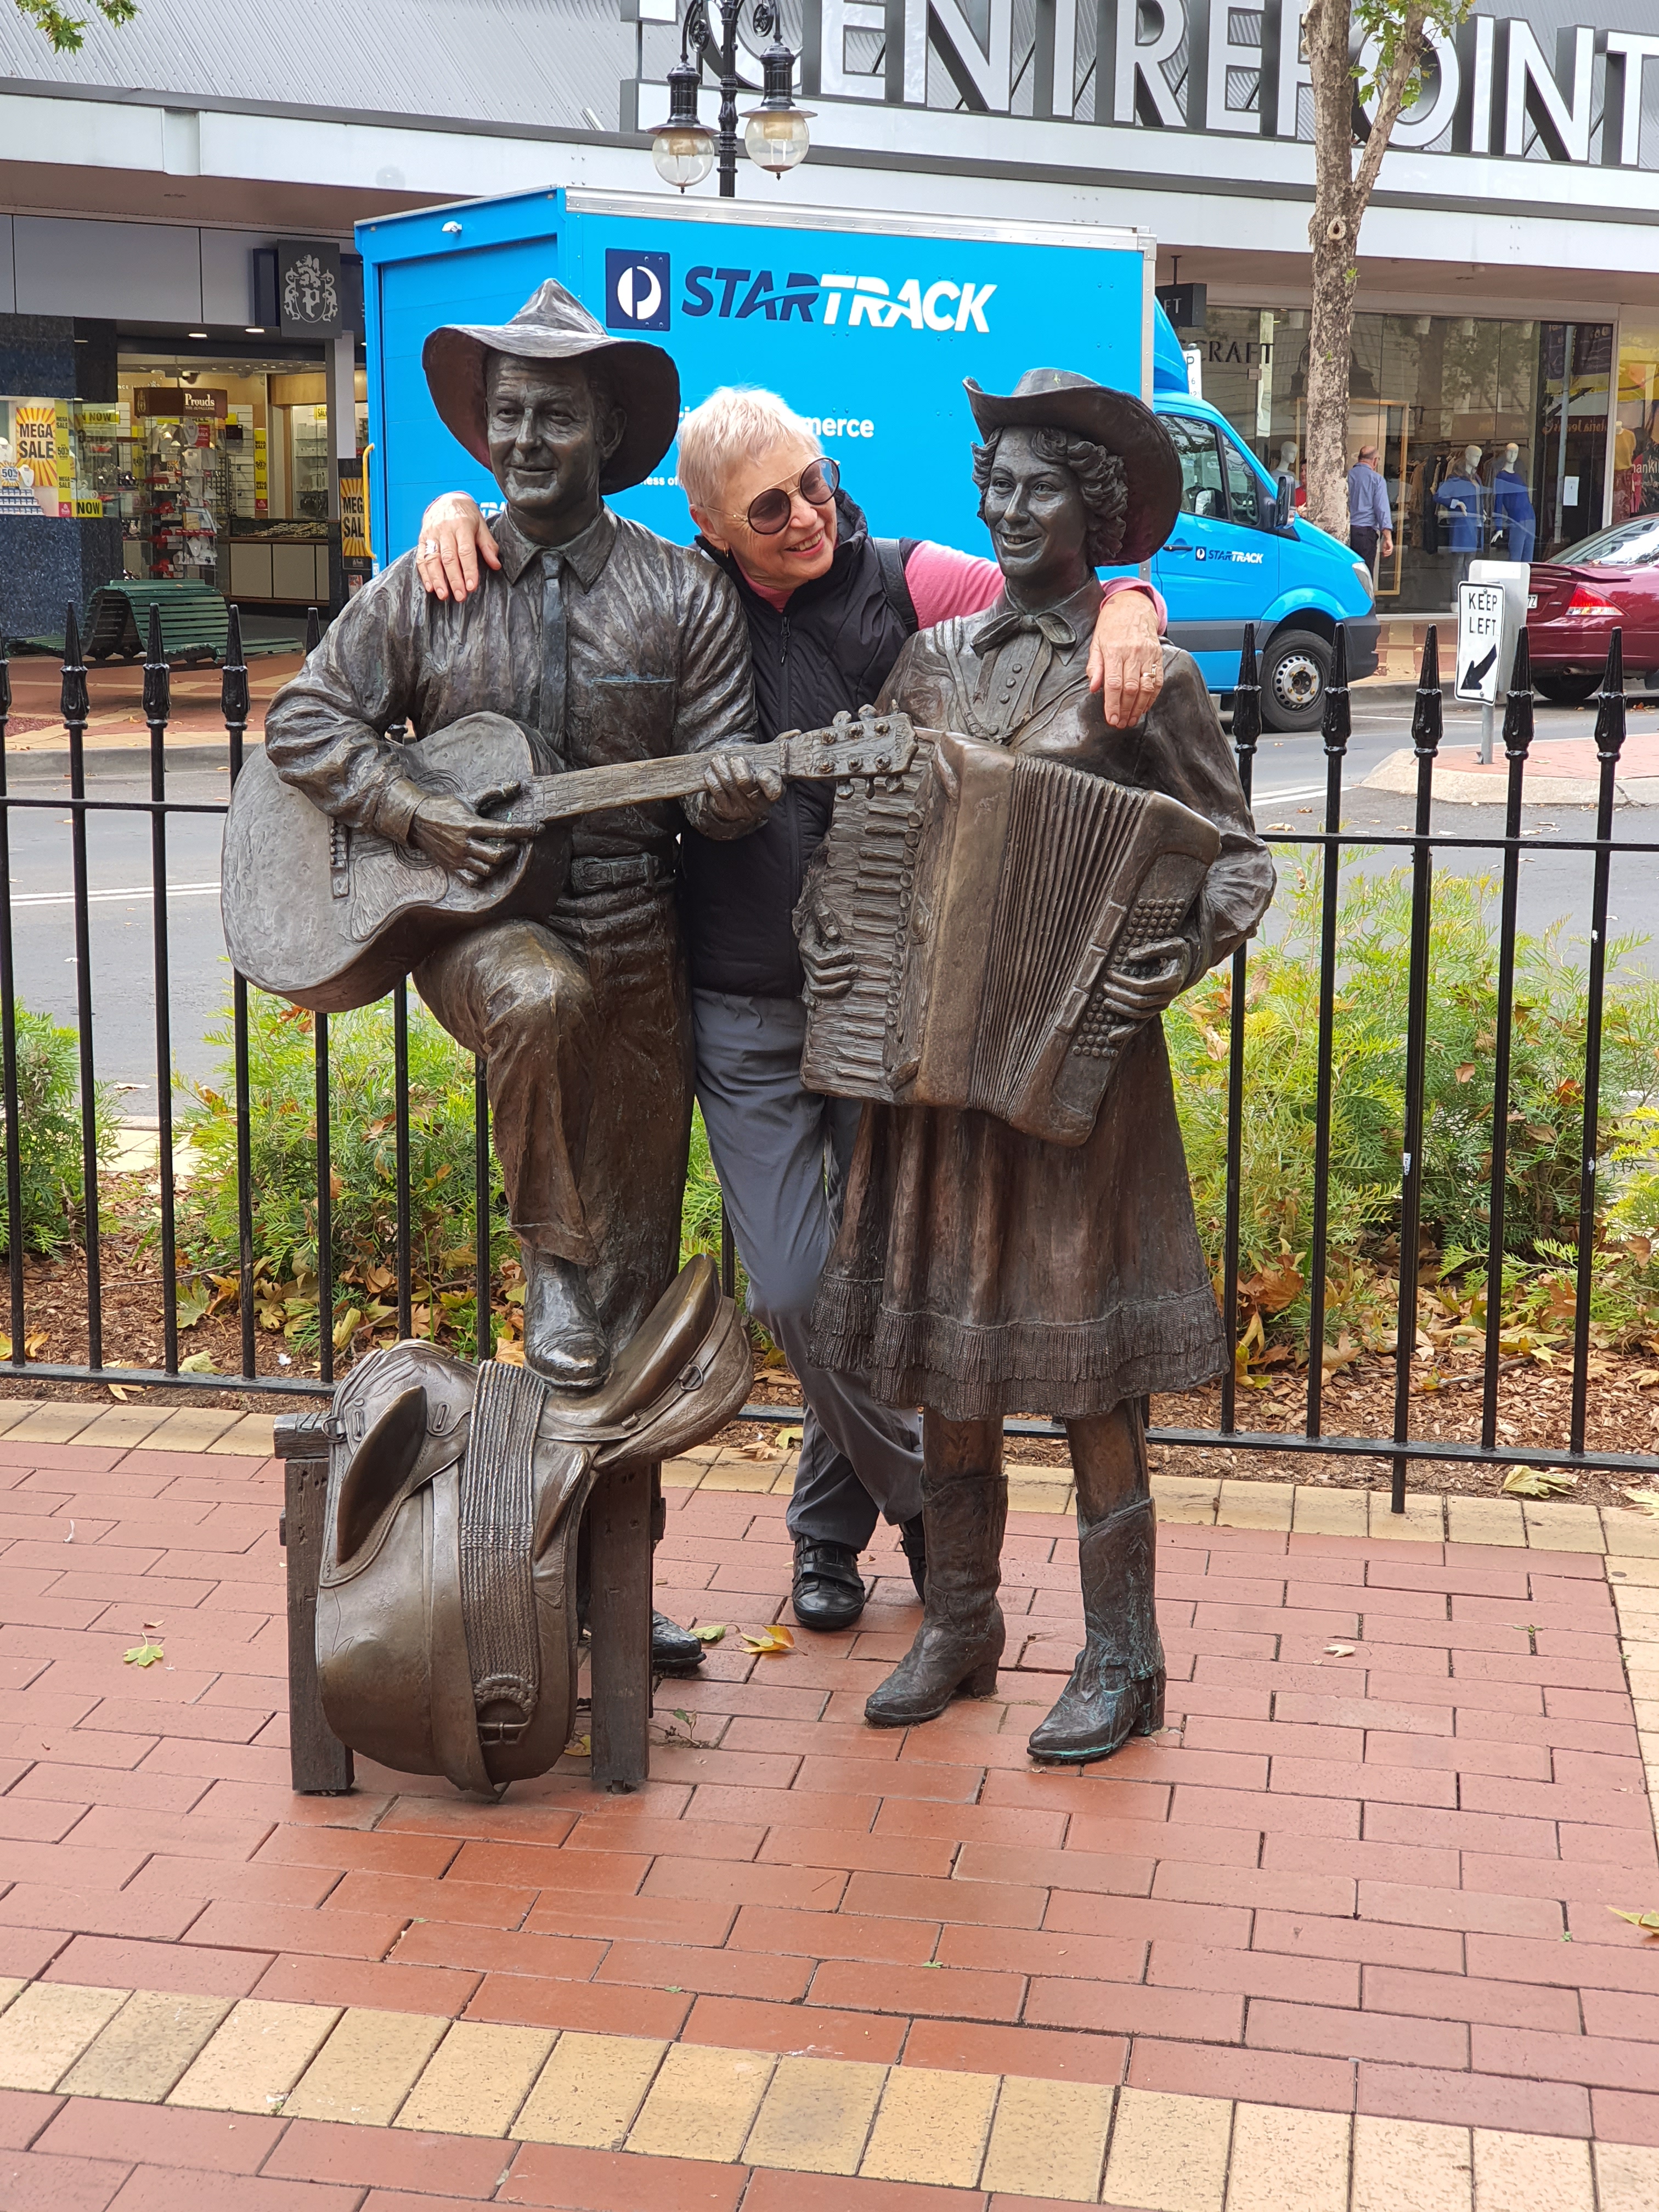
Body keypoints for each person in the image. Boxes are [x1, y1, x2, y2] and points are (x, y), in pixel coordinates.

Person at [414, 390, 1169, 1635]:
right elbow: (546, 557)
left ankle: (826, 1534)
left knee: (872, 1282)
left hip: (892, 1002)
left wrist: (1133, 601)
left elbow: (1057, 596)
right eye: (769, 508)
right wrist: (455, 512)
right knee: (793, 1282)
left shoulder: (907, 578)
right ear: (712, 530)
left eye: (816, 482)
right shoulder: (686, 600)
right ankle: (924, 1507)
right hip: (743, 1002)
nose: (809, 515)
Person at [264, 279, 769, 1676]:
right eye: (507, 416)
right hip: (479, 935)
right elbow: (305, 720)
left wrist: (732, 794)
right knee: (538, 1006)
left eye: (553, 415)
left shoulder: (681, 595)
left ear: (606, 431)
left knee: (638, 1300)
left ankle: (608, 1590)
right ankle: (550, 1264)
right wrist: (415, 812)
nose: (526, 440)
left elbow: (726, 786)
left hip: (638, 939)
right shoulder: (436, 582)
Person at [802, 369, 1274, 1763]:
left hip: (1079, 1079)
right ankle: (961, 1621)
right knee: (949, 1355)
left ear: (1098, 511)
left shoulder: (1146, 674)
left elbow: (1237, 864)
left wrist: (1158, 967)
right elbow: (866, 837)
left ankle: (1124, 1657)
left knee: (1087, 1372)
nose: (1013, 509)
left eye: (1043, 488)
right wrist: (833, 930)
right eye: (998, 484)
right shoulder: (931, 662)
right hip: (936, 1075)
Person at [1346, 443, 1393, 573]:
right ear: (1375, 461)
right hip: (1365, 535)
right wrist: (1388, 538)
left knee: (1346, 573)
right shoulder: (1377, 480)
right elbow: (1382, 509)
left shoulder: (1346, 477)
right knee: (1364, 575)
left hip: (1345, 532)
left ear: (1359, 459)